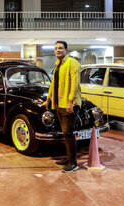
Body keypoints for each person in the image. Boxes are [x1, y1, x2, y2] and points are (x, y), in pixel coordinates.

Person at [41, 40, 82, 173]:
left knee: (68, 133)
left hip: (69, 104)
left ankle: (73, 163)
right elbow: (54, 83)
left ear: (66, 50)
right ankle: (67, 158)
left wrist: (70, 101)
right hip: (59, 103)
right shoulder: (58, 64)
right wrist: (48, 99)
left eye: (61, 48)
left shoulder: (73, 63)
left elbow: (75, 84)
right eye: (56, 49)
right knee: (65, 134)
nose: (58, 50)